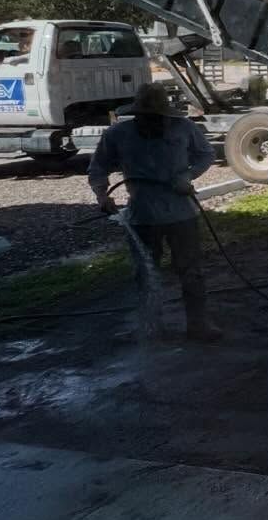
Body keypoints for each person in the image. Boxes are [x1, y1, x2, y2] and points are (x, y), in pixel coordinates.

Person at [89, 83, 220, 341]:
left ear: (166, 114)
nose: (151, 122)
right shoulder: (118, 134)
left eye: (156, 117)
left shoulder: (184, 129)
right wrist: (102, 195)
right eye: (146, 116)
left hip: (182, 213)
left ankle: (198, 324)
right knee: (146, 273)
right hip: (142, 215)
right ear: (137, 114)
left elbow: (206, 154)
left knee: (191, 271)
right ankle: (152, 327)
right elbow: (98, 167)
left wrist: (188, 175)